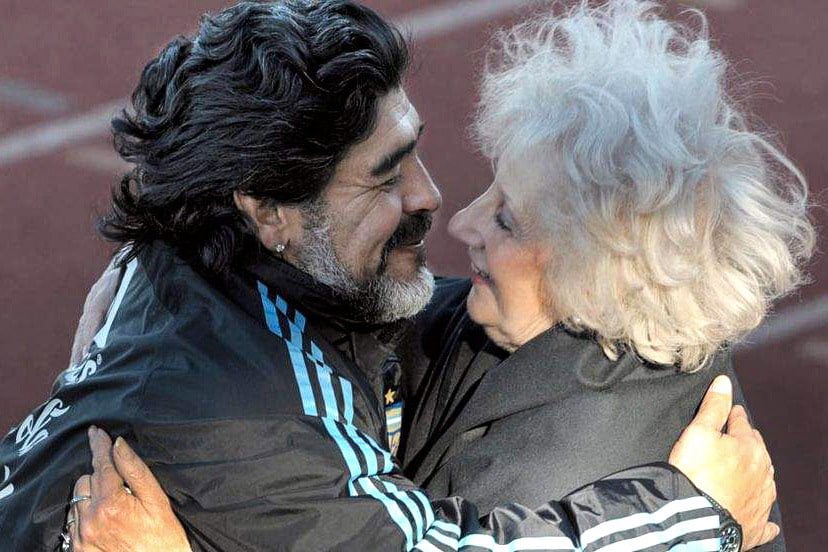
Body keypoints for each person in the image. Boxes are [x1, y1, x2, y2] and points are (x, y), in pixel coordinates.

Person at [0, 1, 779, 551]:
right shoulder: (253, 415)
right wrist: (690, 516)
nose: (442, 207)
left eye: (505, 215)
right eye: (383, 177)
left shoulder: (197, 257)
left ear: (612, 266)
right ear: (267, 211)